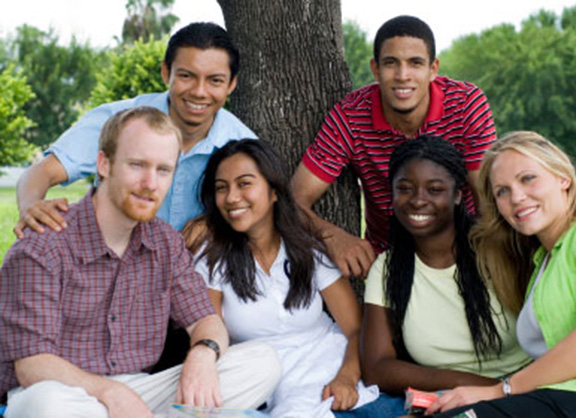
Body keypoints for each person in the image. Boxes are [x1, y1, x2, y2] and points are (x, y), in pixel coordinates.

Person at [0, 108, 280, 418]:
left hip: (141, 393)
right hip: (64, 393)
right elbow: (31, 365)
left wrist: (203, 354)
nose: (150, 183)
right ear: (104, 164)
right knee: (44, 406)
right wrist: (111, 394)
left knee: (262, 362)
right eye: (137, 165)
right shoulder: (42, 246)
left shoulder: (165, 243)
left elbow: (205, 320)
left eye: (163, 170)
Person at [427, 131, 576, 417]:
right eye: (502, 191)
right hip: (566, 396)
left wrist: (500, 390)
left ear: (563, 177)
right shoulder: (544, 259)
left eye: (528, 178)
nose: (516, 197)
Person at [291, 15, 497, 278]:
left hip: (461, 248)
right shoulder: (351, 116)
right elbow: (295, 199)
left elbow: (486, 201)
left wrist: (480, 266)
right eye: (391, 63)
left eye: (415, 63)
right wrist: (334, 238)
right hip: (390, 258)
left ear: (433, 69)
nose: (402, 76)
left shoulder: (466, 104)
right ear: (375, 69)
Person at [14, 21, 255, 238]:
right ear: (165, 72)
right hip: (112, 266)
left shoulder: (242, 142)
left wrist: (214, 224)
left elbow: (264, 215)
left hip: (196, 276)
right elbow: (42, 172)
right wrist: (30, 205)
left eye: (215, 80)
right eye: (186, 76)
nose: (199, 92)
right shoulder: (117, 120)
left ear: (231, 84)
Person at [194, 139, 378, 418]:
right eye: (222, 187)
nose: (231, 197)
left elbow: (356, 330)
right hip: (270, 387)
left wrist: (347, 378)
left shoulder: (308, 250)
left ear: (274, 192)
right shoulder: (211, 260)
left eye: (244, 183)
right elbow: (208, 338)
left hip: (338, 372)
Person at [349, 138, 529, 417]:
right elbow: (377, 368)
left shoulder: (498, 250)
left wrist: (502, 390)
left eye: (434, 189)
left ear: (458, 195)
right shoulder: (387, 268)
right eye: (405, 189)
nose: (418, 200)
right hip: (445, 399)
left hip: (523, 393)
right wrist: (471, 387)